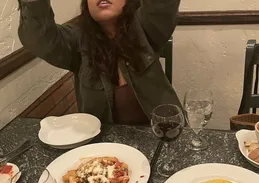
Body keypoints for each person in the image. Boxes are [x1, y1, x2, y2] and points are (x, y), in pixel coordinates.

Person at [18, 0, 181, 125]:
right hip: (102, 156)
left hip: (160, 141)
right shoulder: (77, 42)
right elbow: (38, 37)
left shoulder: (146, 28)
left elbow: (163, 5)